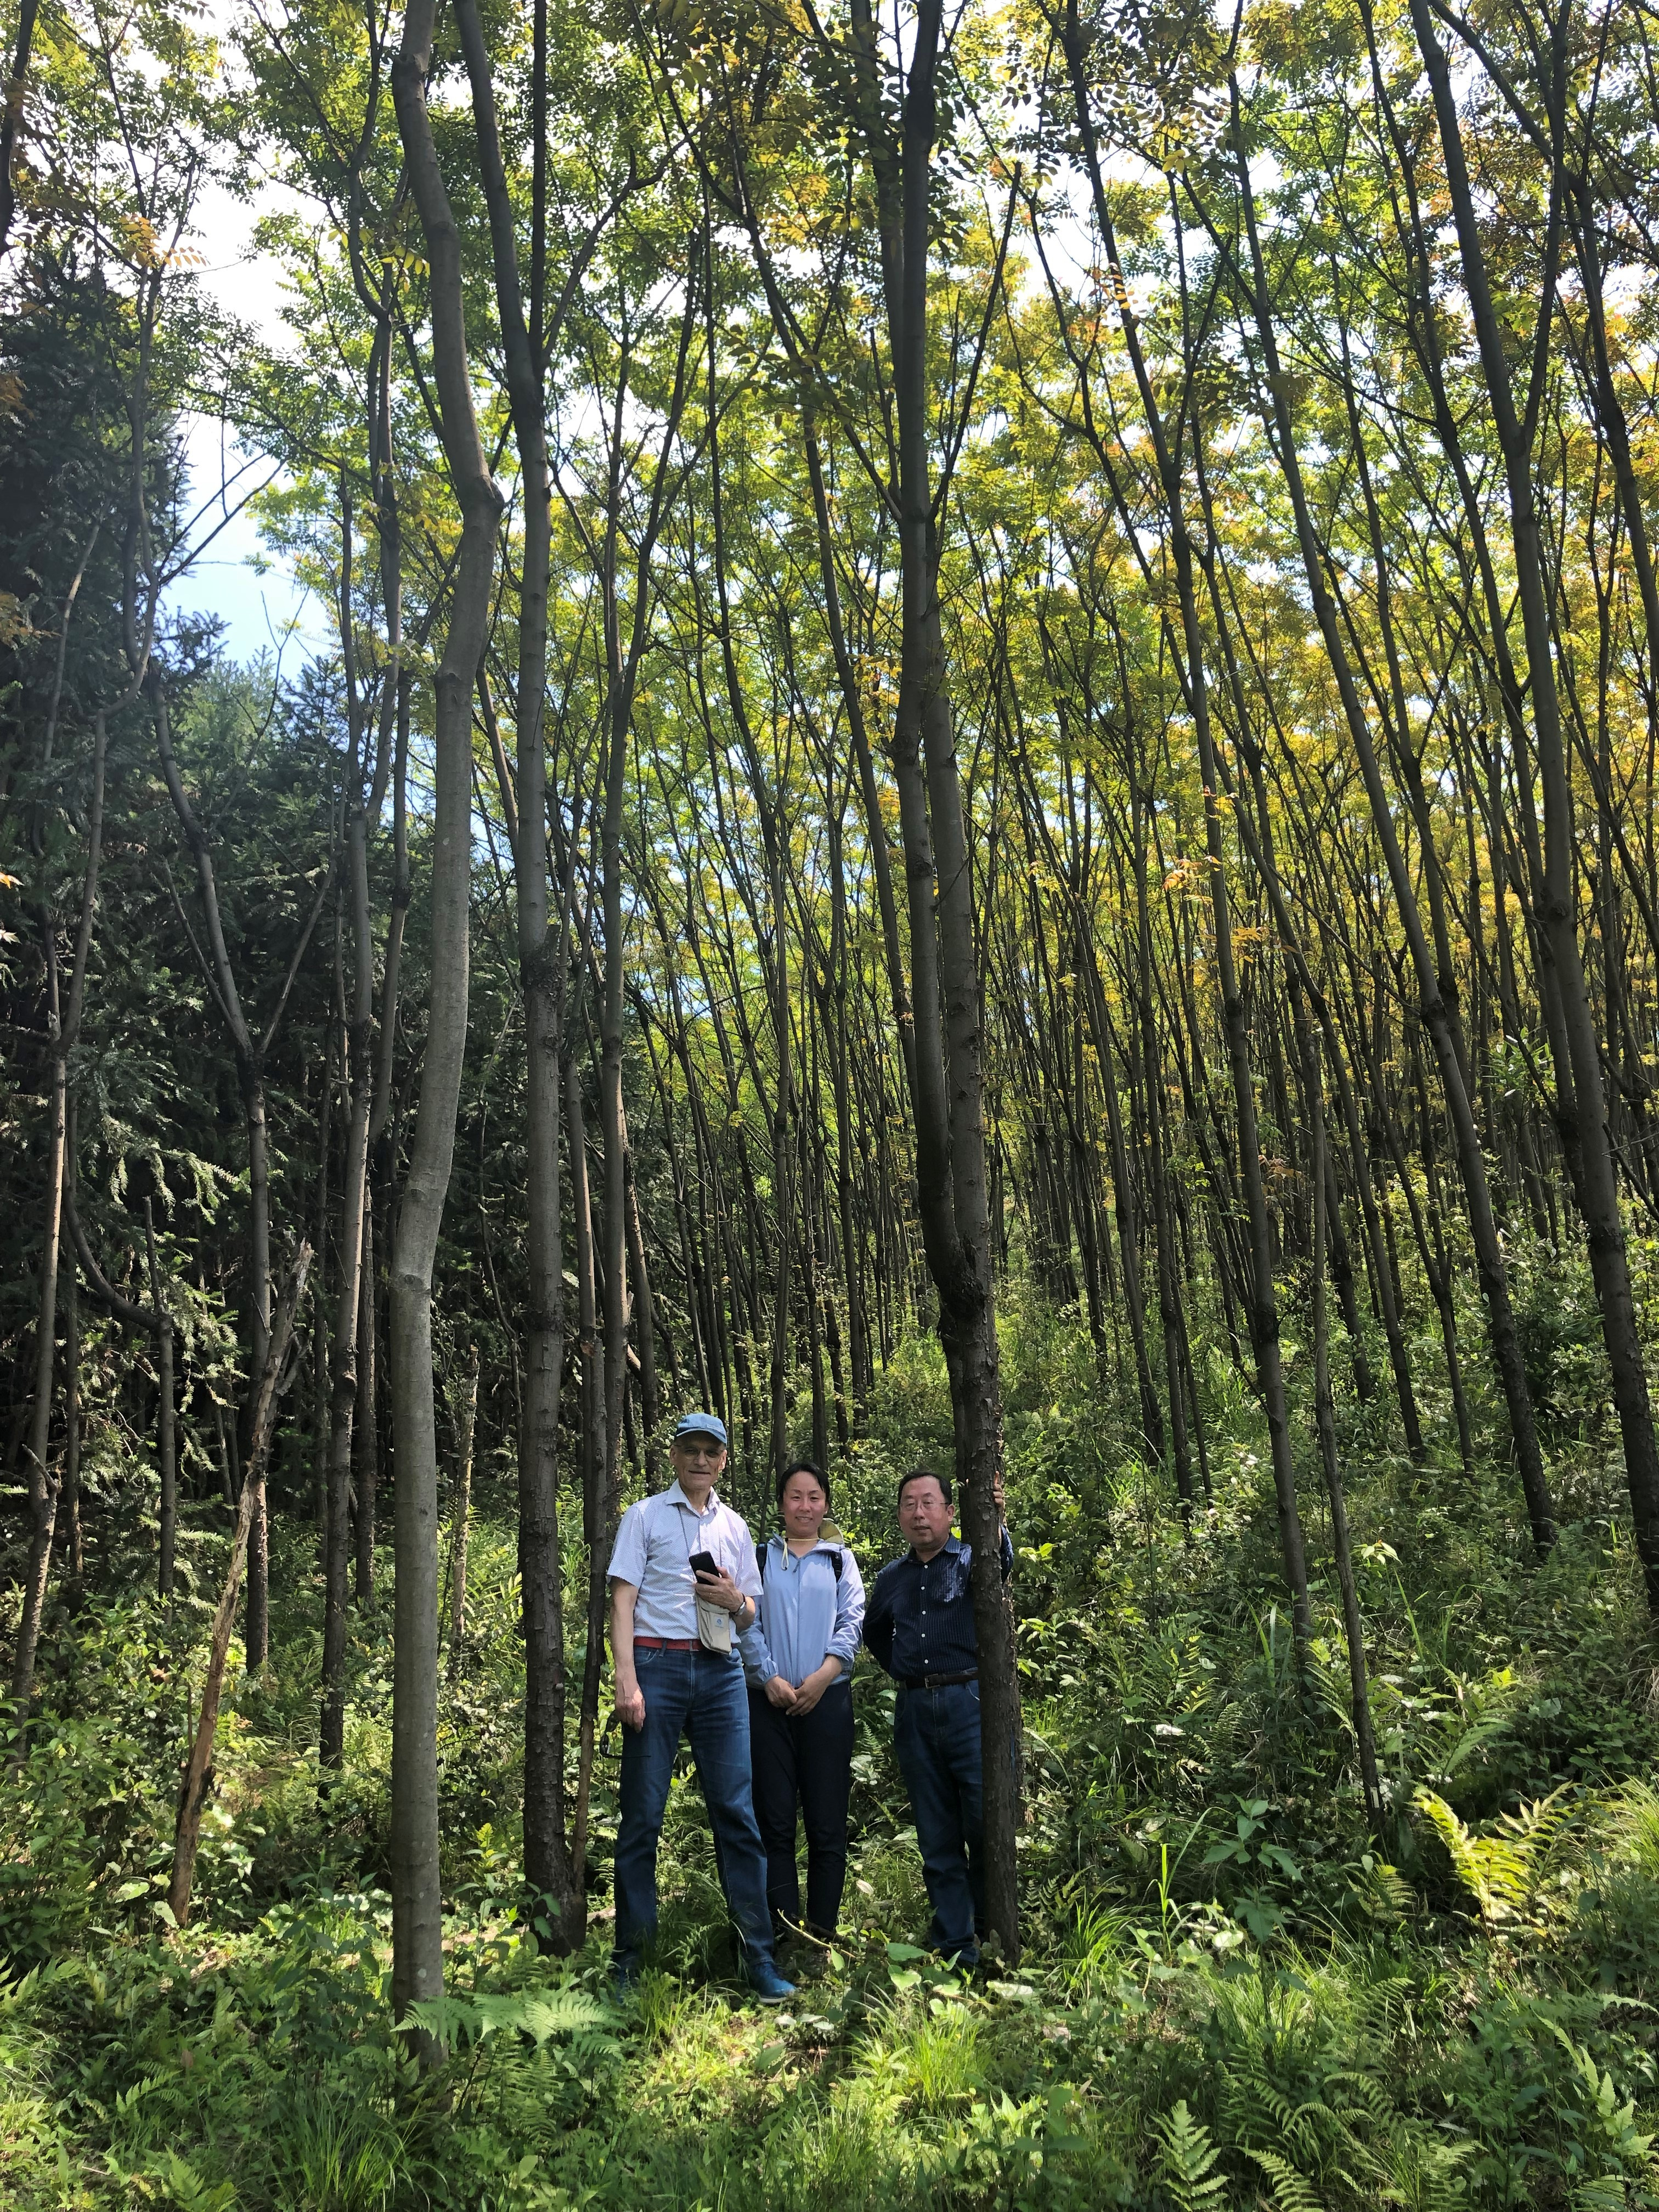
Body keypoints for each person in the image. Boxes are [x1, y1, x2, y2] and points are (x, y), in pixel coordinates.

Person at [606, 1411, 795, 2003]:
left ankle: (757, 1960)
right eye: (690, 1449)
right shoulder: (643, 1517)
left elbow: (751, 1614)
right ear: (673, 1456)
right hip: (656, 1667)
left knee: (737, 1817)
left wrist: (734, 1598)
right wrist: (627, 1681)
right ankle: (631, 1964)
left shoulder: (736, 1527)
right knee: (642, 1818)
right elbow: (622, 1599)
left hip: (720, 1674)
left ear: (723, 1461)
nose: (700, 1460)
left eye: (710, 1451)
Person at [863, 1465, 1012, 1971]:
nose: (919, 1513)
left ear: (950, 1511)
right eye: (909, 1503)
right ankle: (955, 1945)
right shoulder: (892, 1579)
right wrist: (903, 1671)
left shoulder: (973, 1560)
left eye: (929, 1502)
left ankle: (994, 1928)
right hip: (914, 1712)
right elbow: (875, 1633)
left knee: (985, 1820)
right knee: (936, 1829)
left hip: (971, 1703)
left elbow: (1004, 1562)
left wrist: (995, 1518)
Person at [741, 1458, 866, 1949]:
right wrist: (768, 1676)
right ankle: (784, 1933)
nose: (805, 1506)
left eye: (814, 1497)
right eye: (796, 1496)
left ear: (826, 1504)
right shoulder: (759, 1557)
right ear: (781, 1505)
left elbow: (852, 1622)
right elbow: (744, 1622)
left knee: (827, 1822)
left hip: (827, 1705)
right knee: (774, 1822)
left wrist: (823, 1677)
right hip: (767, 1706)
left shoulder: (840, 1559)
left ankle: (822, 1935)